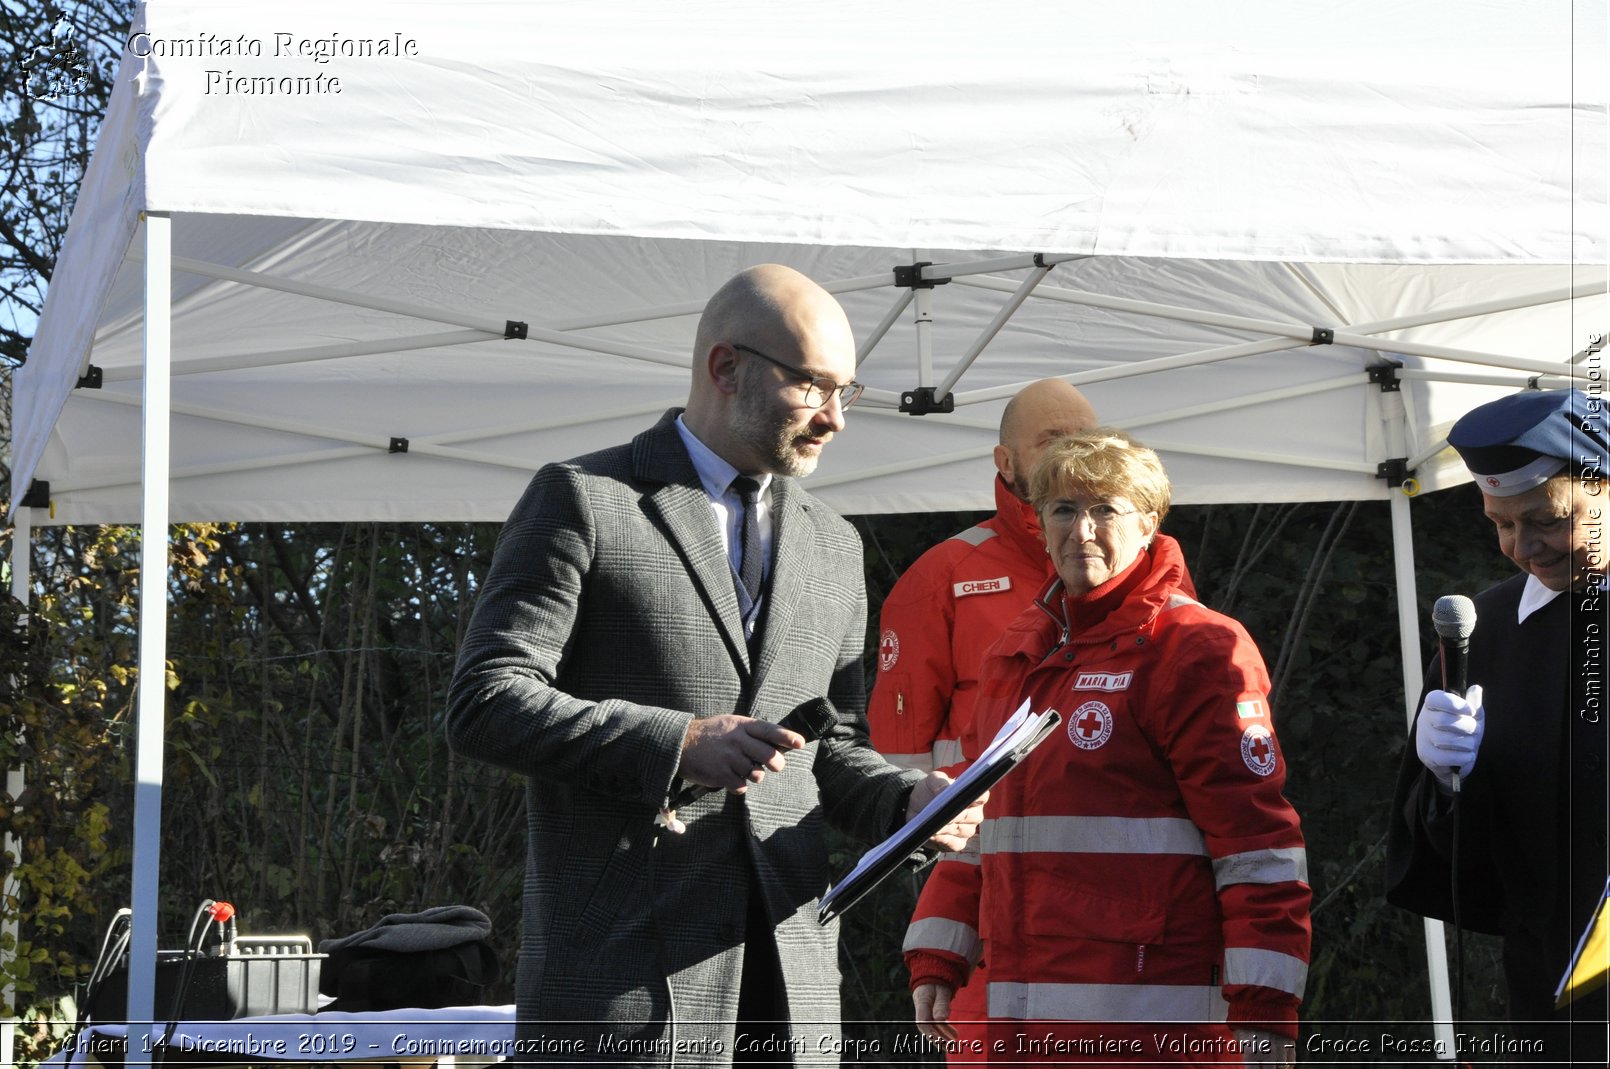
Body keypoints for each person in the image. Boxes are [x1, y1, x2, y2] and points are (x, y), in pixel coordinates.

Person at [446, 264, 985, 1067]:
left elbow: (826, 747)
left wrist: (905, 800)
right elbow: (486, 699)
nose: (836, 417)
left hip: (790, 992)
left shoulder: (835, 545)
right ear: (725, 367)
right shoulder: (585, 498)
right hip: (623, 991)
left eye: (848, 390)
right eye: (812, 384)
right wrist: (677, 740)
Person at [906, 429, 1311, 1066]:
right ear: (1039, 524)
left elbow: (1257, 848)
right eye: (1064, 510)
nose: (1082, 531)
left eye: (1105, 509)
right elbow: (974, 818)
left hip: (1151, 1019)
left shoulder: (1197, 648)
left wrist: (1264, 1011)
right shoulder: (1017, 652)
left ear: (1149, 523)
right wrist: (938, 953)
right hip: (1015, 1018)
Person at [868, 378, 1097, 1054]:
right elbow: (894, 771)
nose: (1073, 456)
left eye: (1084, 439)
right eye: (1052, 442)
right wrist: (936, 903)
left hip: (1117, 906)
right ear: (1006, 465)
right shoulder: (939, 577)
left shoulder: (1140, 574)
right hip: (984, 909)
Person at [1386, 388, 1608, 1063]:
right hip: (1552, 999)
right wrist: (1444, 784)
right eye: (1501, 524)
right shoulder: (1491, 628)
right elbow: (1463, 861)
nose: (1523, 547)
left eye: (1545, 519)